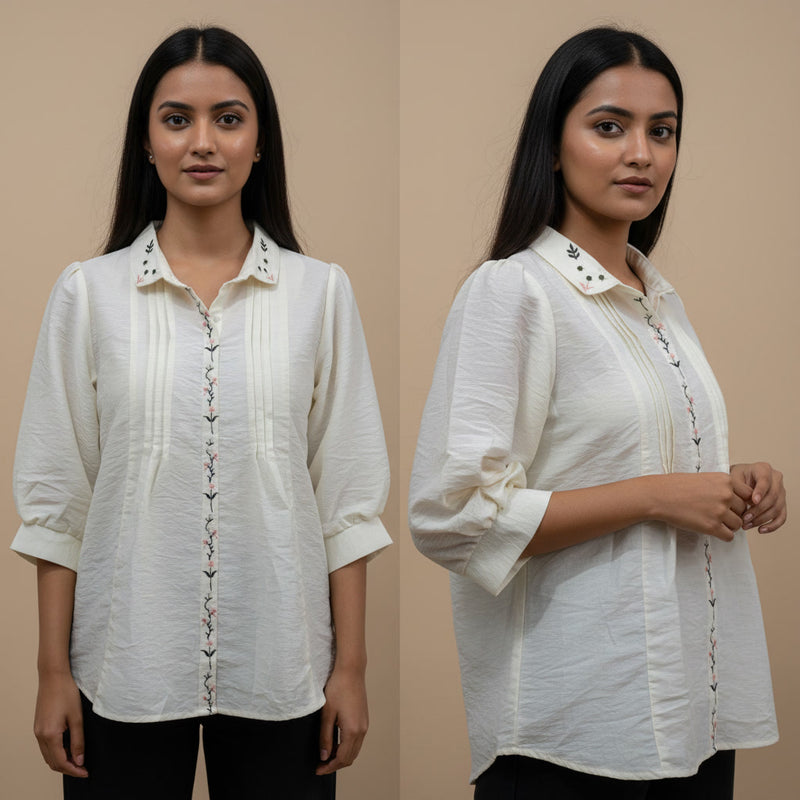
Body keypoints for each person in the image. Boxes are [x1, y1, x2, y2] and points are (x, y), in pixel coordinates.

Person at [12, 26, 391, 800]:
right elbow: (58, 500)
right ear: (145, 143)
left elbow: (347, 499)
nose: (203, 142)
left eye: (229, 117)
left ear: (261, 142)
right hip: (122, 669)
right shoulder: (88, 294)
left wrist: (349, 669)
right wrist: (54, 673)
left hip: (284, 666)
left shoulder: (322, 294)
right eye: (176, 118)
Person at [408, 27, 786, 799]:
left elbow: (628, 456)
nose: (641, 153)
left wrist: (731, 480)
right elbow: (453, 515)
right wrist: (655, 496)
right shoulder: (513, 293)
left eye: (662, 131)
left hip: (693, 711)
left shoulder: (659, 302)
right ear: (552, 145)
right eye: (609, 126)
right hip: (574, 731)